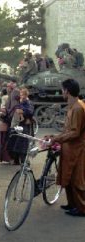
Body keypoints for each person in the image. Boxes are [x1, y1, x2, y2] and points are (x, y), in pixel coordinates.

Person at [50, 79, 85, 217]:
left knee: (77, 179)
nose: (61, 92)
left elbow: (75, 132)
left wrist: (56, 139)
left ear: (67, 91)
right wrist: (54, 136)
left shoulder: (77, 108)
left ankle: (82, 208)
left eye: (62, 89)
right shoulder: (74, 106)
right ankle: (72, 204)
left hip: (77, 149)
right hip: (70, 148)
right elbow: (68, 129)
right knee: (68, 177)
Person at [6, 88, 34, 165]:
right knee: (15, 142)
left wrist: (22, 111)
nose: (21, 96)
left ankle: (24, 161)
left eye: (22, 94)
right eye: (20, 94)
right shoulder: (20, 102)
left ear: (25, 95)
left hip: (25, 125)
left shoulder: (28, 102)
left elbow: (30, 111)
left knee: (23, 144)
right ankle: (16, 160)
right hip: (18, 125)